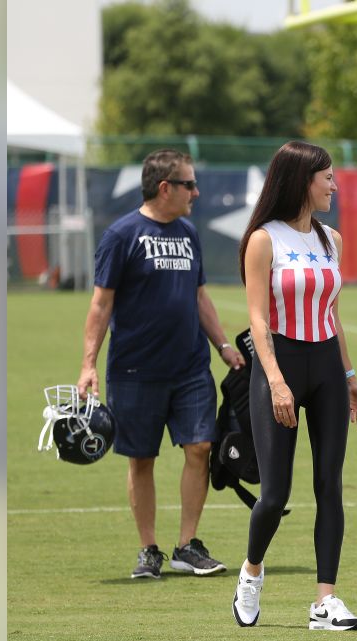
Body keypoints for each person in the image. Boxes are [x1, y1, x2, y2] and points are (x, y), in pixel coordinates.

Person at [231, 141, 357, 630]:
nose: (335, 186)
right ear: (303, 180)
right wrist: (275, 381)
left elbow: (332, 316)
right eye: (328, 178)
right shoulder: (262, 240)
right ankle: (251, 573)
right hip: (281, 365)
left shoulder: (330, 239)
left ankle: (325, 602)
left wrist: (351, 377)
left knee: (329, 486)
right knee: (274, 493)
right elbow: (256, 319)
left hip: (327, 371)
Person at [79, 149, 243, 579]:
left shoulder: (188, 232)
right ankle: (148, 549)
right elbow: (101, 303)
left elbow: (199, 296)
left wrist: (223, 344)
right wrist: (88, 365)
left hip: (190, 366)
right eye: (189, 184)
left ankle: (187, 546)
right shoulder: (121, 235)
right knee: (141, 459)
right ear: (165, 187)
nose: (196, 191)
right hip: (135, 370)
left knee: (201, 448)